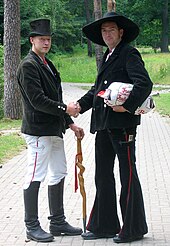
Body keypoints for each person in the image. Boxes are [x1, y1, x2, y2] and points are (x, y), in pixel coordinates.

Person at [73, 12, 153, 243]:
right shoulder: (107, 56)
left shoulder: (129, 53)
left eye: (111, 30)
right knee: (103, 176)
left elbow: (144, 84)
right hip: (103, 126)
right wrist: (79, 105)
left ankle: (133, 229)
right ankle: (104, 226)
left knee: (127, 175)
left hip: (122, 126)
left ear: (121, 32)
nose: (107, 34)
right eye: (104, 31)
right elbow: (97, 89)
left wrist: (126, 107)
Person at [17, 18, 84, 243]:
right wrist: (66, 108)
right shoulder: (28, 65)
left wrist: (69, 123)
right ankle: (31, 226)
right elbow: (38, 101)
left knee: (59, 172)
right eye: (42, 39)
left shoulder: (47, 63)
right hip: (37, 131)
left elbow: (54, 97)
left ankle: (57, 222)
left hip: (53, 130)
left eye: (48, 39)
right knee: (35, 175)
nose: (46, 43)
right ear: (32, 40)